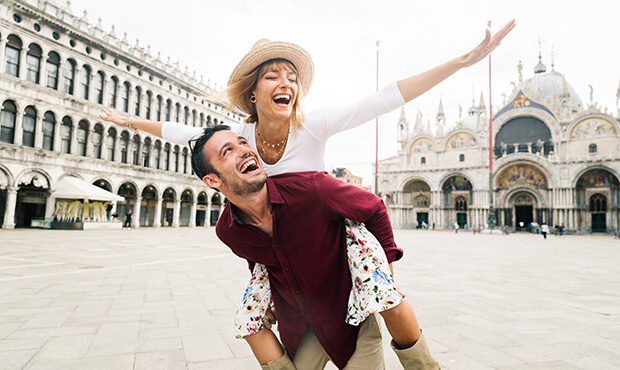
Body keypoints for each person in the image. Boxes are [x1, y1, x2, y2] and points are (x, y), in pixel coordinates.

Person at [99, 21, 514, 368]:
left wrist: (462, 63)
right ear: (253, 92)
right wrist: (129, 122)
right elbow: (179, 132)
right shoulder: (237, 138)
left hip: (333, 237)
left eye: (292, 77)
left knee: (382, 296)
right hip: (282, 249)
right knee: (252, 318)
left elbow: (386, 97)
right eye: (273, 76)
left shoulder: (312, 126)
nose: (287, 83)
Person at [190, 125, 438, 369]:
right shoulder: (228, 231)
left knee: (391, 304)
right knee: (248, 323)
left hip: (352, 320)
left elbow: (374, 208)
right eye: (228, 150)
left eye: (243, 142)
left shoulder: (312, 189)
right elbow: (257, 261)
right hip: (300, 328)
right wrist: (267, 304)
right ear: (212, 180)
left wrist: (385, 276)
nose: (245, 150)